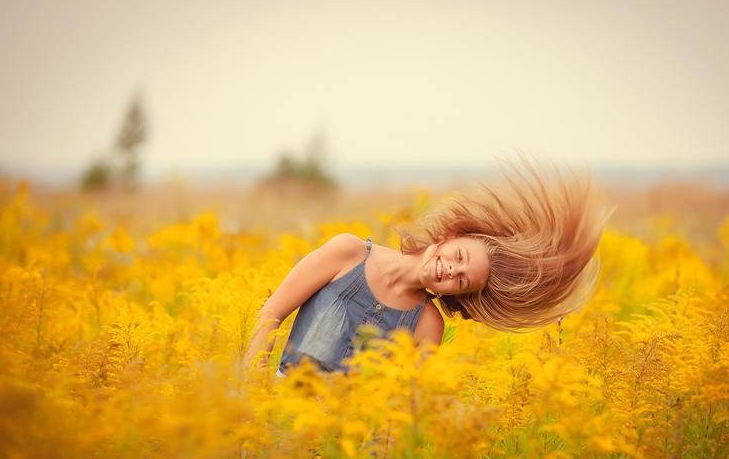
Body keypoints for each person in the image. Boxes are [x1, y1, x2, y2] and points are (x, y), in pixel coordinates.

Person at [244, 157, 612, 377]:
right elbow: (270, 314)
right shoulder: (347, 251)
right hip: (280, 419)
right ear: (450, 236)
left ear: (456, 294)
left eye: (461, 281)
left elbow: (405, 406)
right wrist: (256, 394)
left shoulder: (427, 324)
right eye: (459, 257)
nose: (451, 271)